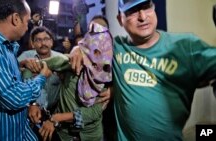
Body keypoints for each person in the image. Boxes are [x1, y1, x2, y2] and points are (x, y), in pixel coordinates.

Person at [70, 0, 216, 140]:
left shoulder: (186, 46)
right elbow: (94, 46)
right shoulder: (116, 48)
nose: (143, 17)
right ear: (120, 19)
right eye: (132, 11)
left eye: (146, 7)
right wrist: (79, 48)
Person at [0, 0, 51, 140]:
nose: (27, 27)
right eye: (27, 21)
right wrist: (41, 78)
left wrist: (19, 66)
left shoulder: (5, 46)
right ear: (16, 19)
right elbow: (12, 96)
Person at [27, 15, 113, 141]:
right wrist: (33, 102)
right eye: (93, 29)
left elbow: (95, 112)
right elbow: (35, 68)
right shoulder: (69, 59)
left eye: (101, 30)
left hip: (90, 136)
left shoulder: (107, 70)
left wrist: (58, 118)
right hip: (63, 134)